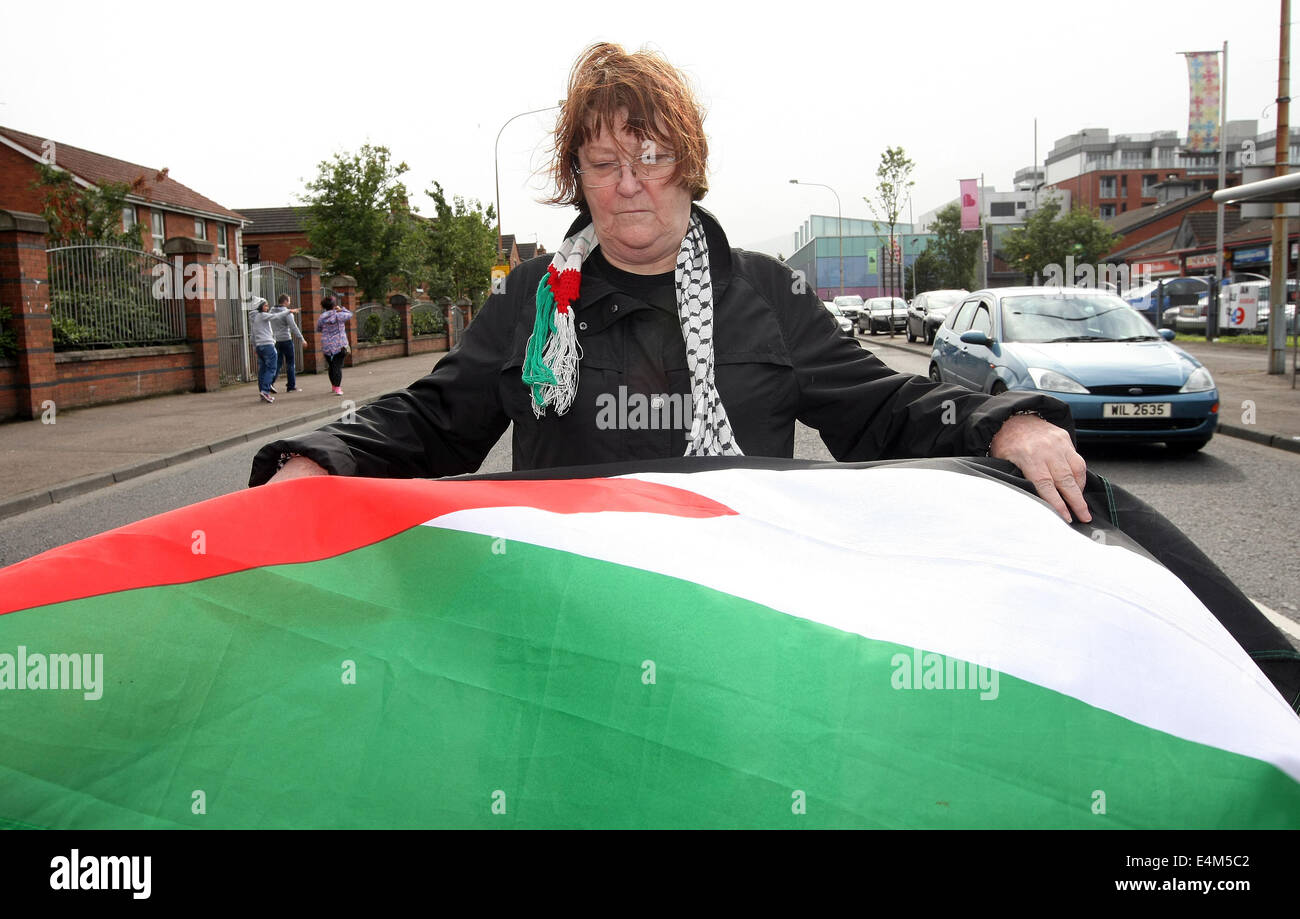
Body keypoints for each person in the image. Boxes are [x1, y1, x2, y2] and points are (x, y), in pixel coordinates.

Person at [250, 42, 1088, 523]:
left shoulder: (766, 295)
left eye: (652, 158)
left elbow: (884, 408)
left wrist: (1009, 423)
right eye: (605, 162)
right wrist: (313, 459)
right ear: (578, 176)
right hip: (565, 624)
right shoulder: (532, 299)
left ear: (689, 166)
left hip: (735, 618)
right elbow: (433, 420)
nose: (629, 183)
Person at [269, 294, 307, 393]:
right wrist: (302, 339)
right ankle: (291, 386)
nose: (289, 303)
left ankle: (270, 383)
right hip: (286, 340)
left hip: (276, 340)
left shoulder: (271, 311)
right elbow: (293, 327)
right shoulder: (287, 313)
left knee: (277, 363)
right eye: (289, 301)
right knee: (290, 363)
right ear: (285, 302)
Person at [316, 296, 353, 395]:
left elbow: (318, 329)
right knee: (337, 366)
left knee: (331, 366)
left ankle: (333, 386)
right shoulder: (339, 315)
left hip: (326, 344)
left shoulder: (322, 317)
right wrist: (342, 309)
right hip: (339, 344)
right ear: (334, 305)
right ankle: (338, 388)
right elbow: (350, 314)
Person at [247, 297, 278, 404]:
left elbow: (252, 336)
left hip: (259, 346)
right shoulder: (263, 316)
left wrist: (255, 347)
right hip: (267, 345)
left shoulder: (254, 318)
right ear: (260, 306)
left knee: (263, 370)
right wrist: (289, 311)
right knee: (271, 368)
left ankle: (262, 392)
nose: (267, 307)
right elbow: (276, 316)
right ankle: (265, 391)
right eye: (265, 305)